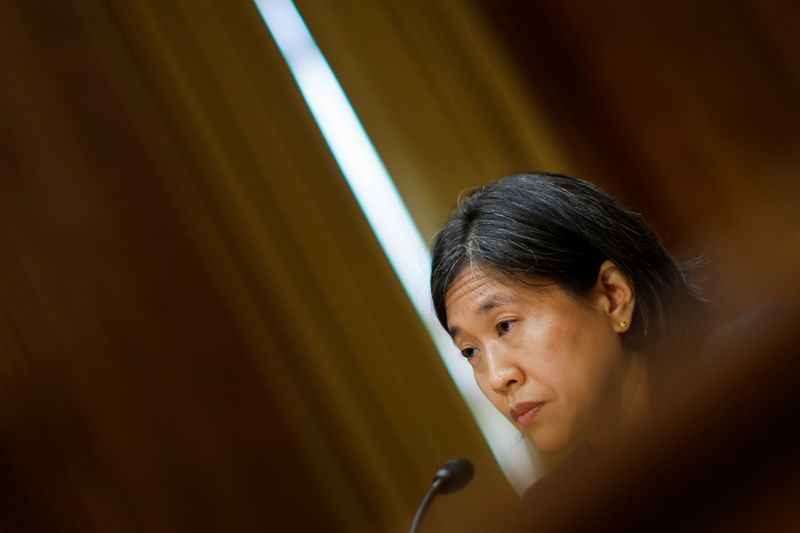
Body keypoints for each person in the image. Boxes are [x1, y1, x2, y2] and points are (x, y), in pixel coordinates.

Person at [430, 172, 704, 463]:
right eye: (470, 351)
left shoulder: (746, 383)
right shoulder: (556, 505)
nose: (498, 378)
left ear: (613, 297)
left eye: (505, 325)